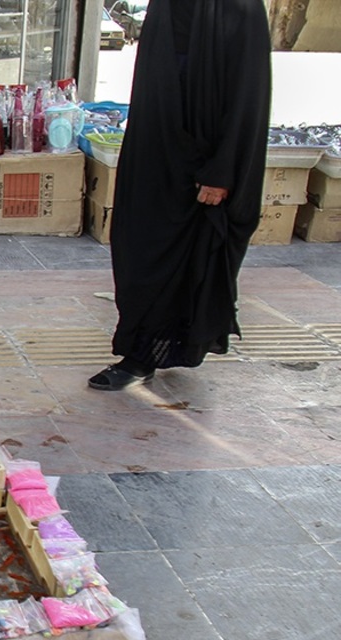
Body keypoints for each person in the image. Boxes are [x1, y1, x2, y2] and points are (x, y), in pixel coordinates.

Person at [89, 0, 271, 390]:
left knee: (187, 260)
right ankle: (143, 346)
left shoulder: (240, 9)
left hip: (204, 162)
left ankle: (145, 355)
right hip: (156, 154)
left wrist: (222, 171)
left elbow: (248, 96)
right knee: (139, 249)